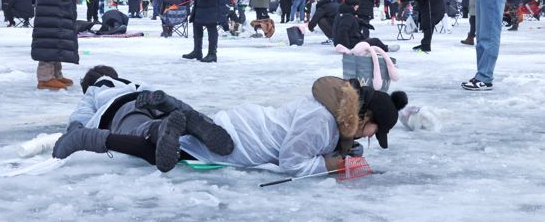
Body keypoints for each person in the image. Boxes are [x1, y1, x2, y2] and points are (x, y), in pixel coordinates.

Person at [53, 71, 408, 176]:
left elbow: (319, 141)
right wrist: (335, 163)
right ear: (365, 118)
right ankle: (90, 138)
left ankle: (180, 115)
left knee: (192, 135)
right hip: (245, 141)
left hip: (243, 124)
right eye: (378, 130)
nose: (375, 137)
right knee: (164, 152)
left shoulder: (328, 111)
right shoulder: (322, 122)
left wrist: (343, 149)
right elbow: (293, 161)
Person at [51, 65, 235, 172]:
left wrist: (75, 128)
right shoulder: (134, 84)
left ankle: (157, 129)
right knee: (170, 115)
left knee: (138, 130)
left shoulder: (97, 89)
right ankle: (177, 112)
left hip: (122, 107)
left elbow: (82, 113)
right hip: (148, 99)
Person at [332, 0, 399, 52]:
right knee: (375, 40)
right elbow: (343, 30)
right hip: (350, 44)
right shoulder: (348, 16)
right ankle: (387, 48)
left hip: (341, 42)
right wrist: (346, 47)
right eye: (357, 5)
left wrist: (365, 24)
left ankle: (379, 48)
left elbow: (354, 20)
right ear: (353, 6)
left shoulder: (341, 14)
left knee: (366, 39)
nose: (358, 7)